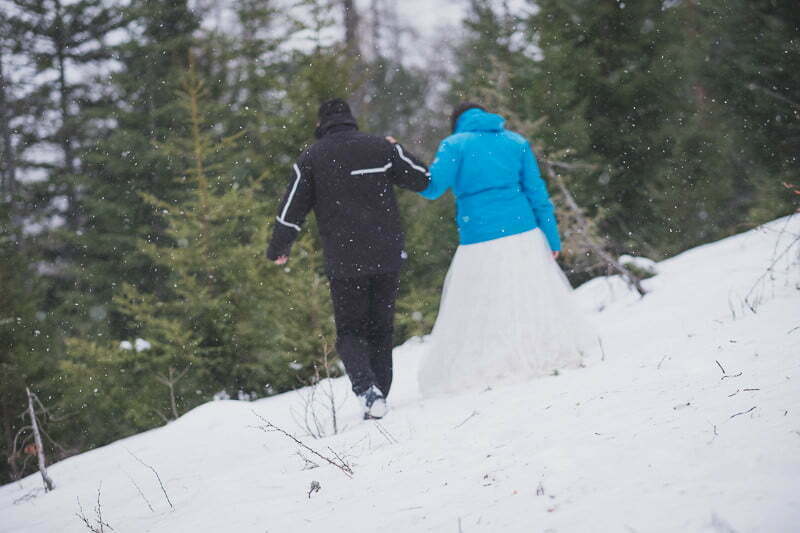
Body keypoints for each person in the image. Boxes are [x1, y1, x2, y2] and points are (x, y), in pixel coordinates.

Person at [413, 102, 592, 396]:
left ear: (456, 123)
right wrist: (552, 238)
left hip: (479, 236)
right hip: (523, 231)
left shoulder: (454, 145)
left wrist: (403, 160)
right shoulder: (516, 142)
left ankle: (490, 361)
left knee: (481, 304)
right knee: (528, 297)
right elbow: (537, 193)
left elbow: (432, 188)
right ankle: (540, 351)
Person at [266, 99, 429, 419]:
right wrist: (398, 149)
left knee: (351, 332)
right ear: (350, 120)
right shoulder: (380, 147)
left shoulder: (313, 157)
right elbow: (422, 178)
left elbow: (291, 209)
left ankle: (368, 392)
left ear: (321, 124)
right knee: (381, 329)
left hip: (345, 259)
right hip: (386, 254)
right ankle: (379, 394)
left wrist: (278, 247)